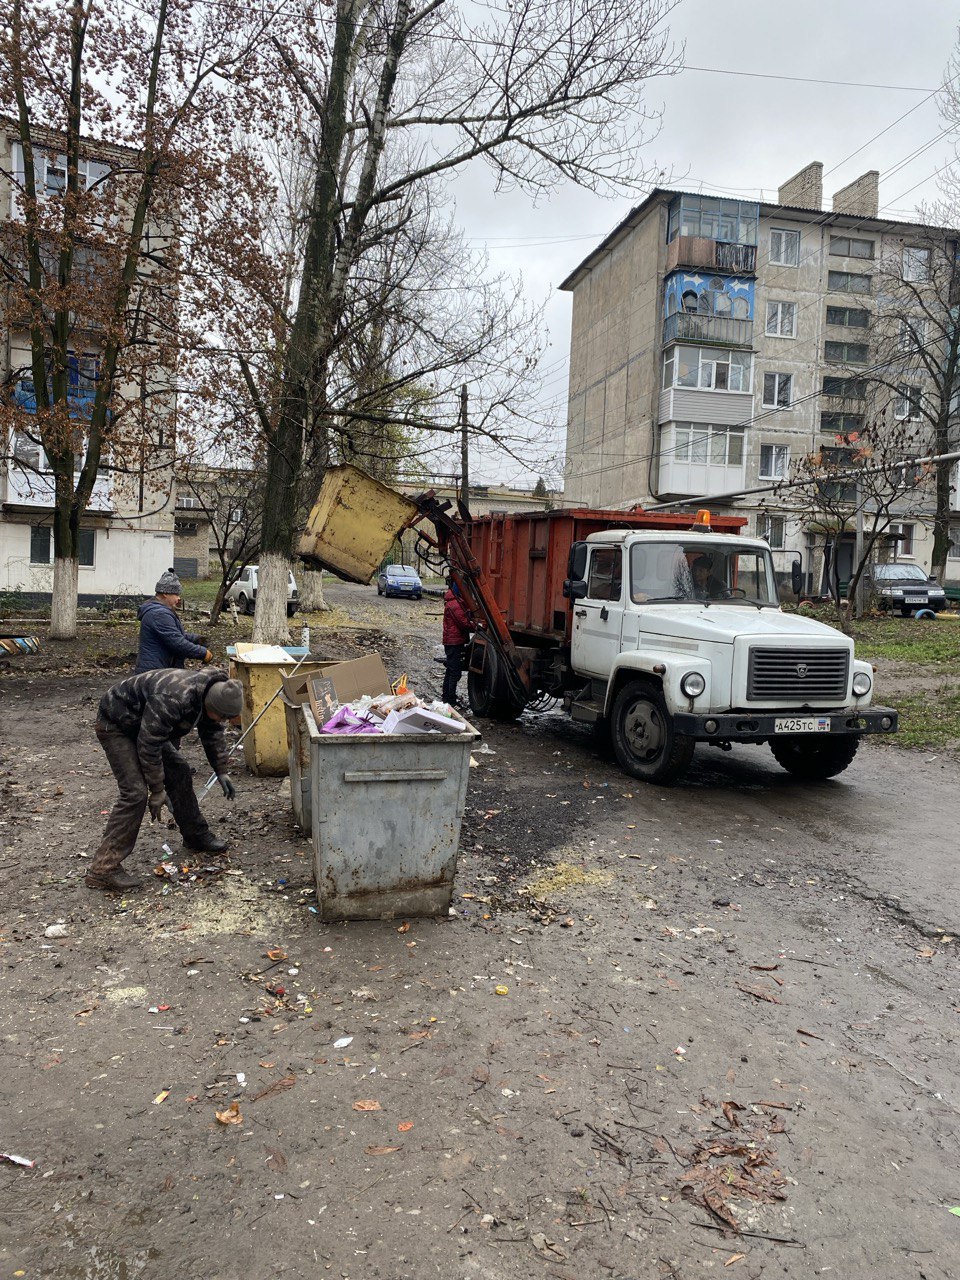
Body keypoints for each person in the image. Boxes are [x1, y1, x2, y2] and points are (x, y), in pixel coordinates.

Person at [86, 668, 242, 891]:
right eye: (223, 716)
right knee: (135, 793)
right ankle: (102, 870)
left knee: (179, 771)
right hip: (117, 723)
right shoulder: (174, 698)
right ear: (211, 705)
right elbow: (149, 745)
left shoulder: (215, 693)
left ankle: (195, 836)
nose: (224, 721)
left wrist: (221, 770)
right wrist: (157, 789)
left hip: (144, 724)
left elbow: (212, 731)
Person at [135, 568, 212, 674]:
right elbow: (177, 643)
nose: (178, 598)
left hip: (158, 670)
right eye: (176, 594)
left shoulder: (158, 611)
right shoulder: (159, 614)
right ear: (165, 593)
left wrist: (197, 639)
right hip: (154, 675)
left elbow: (172, 635)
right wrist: (204, 653)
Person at [442, 576, 472, 706]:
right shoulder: (455, 604)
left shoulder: (453, 601)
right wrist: (478, 626)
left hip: (452, 641)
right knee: (455, 672)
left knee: (450, 670)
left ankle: (447, 697)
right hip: (454, 642)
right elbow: (464, 623)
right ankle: (450, 700)